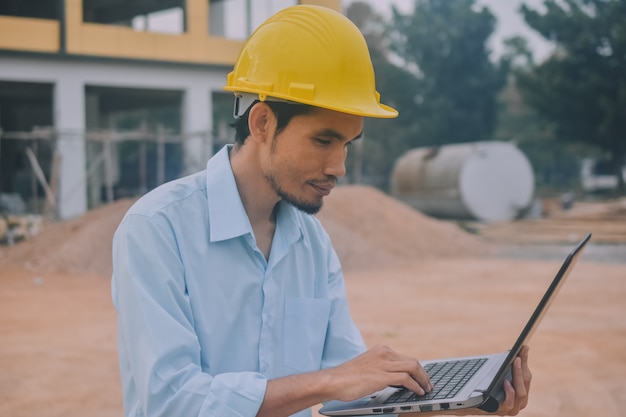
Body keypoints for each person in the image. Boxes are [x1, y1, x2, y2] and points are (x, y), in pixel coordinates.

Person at [111, 5, 531, 417]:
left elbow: (353, 399)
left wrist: (457, 410)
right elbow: (173, 402)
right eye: (323, 140)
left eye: (347, 144)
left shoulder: (311, 244)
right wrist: (328, 380)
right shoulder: (157, 229)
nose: (339, 167)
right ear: (262, 124)